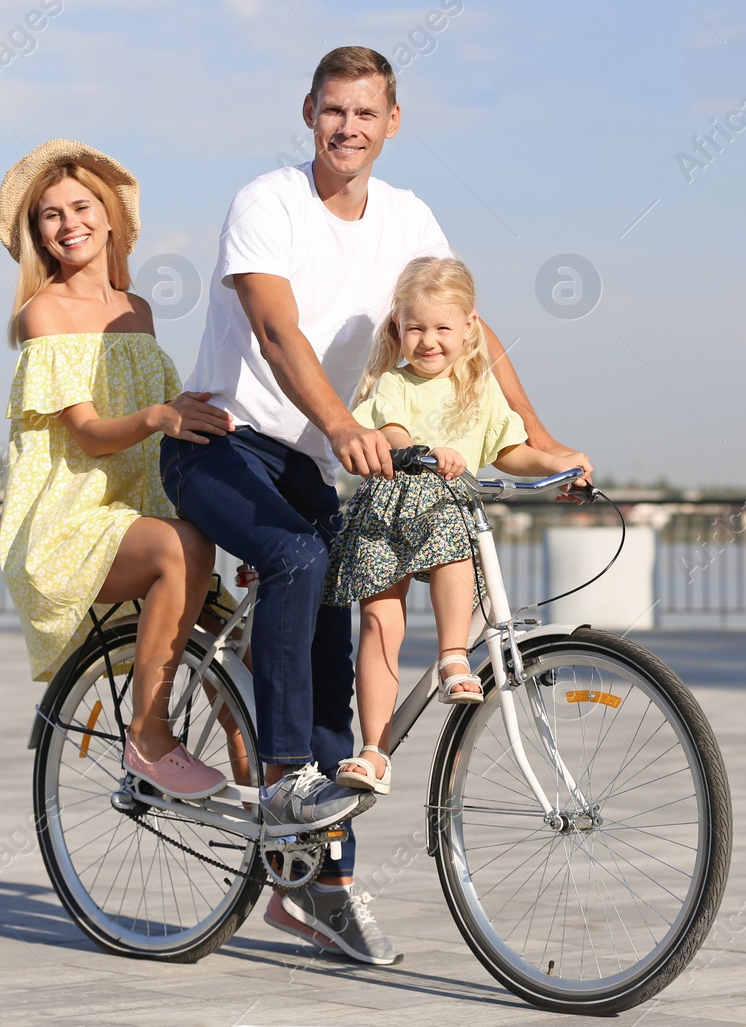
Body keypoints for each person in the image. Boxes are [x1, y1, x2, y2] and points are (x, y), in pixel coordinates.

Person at [161, 48, 591, 964]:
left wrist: (543, 441)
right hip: (222, 445)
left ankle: (321, 882)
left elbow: (471, 330)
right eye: (332, 111)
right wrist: (346, 428)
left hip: (314, 463)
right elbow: (277, 331)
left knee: (340, 629)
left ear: (393, 122)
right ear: (308, 112)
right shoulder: (266, 203)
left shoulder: (409, 218)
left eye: (365, 112)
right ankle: (281, 782)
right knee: (300, 561)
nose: (347, 127)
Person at [0, 139, 235, 800]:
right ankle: (148, 734)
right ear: (37, 234)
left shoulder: (138, 312)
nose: (68, 222)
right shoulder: (41, 312)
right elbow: (92, 436)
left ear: (108, 218)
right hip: (70, 523)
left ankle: (275, 838)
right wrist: (159, 416)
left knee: (242, 659)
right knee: (183, 544)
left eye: (80, 206)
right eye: (50, 214)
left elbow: (176, 419)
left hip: (140, 510)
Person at [322, 256, 588, 795]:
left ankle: (452, 657)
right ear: (399, 327)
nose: (428, 341)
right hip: (388, 509)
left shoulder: (480, 391)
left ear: (470, 328)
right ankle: (374, 750)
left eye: (443, 328)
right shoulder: (392, 384)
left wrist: (557, 464)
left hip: (444, 511)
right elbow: (392, 432)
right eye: (415, 327)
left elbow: (509, 450)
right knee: (379, 624)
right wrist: (420, 453)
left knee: (451, 540)